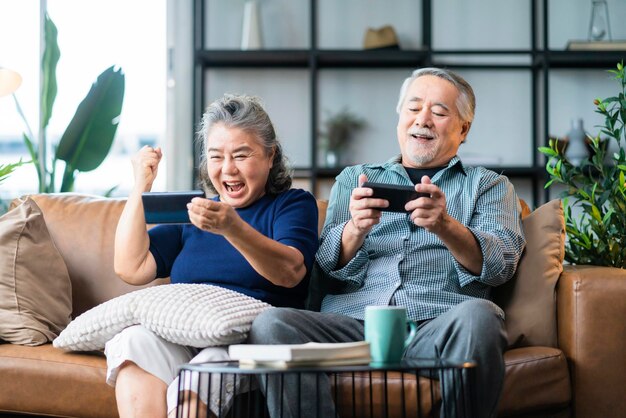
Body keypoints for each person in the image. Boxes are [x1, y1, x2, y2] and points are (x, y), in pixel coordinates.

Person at [249, 68, 526, 418]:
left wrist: (445, 226)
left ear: (463, 129)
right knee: (270, 325)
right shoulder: (354, 179)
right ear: (400, 118)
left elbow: (501, 264)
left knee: (481, 317)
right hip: (353, 326)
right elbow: (323, 270)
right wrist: (355, 229)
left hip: (436, 327)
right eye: (413, 108)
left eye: (439, 112)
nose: (423, 120)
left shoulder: (489, 186)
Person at [106, 94, 319, 418]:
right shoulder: (195, 214)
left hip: (244, 344)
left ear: (269, 155)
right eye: (216, 156)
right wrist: (140, 186)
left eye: (241, 155)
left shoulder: (290, 204)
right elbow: (130, 267)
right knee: (134, 342)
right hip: (185, 333)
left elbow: (290, 271)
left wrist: (231, 227)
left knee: (202, 373)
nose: (228, 169)